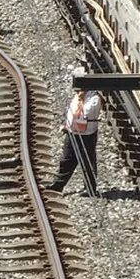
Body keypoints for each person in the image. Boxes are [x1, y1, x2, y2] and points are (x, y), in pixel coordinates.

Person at [48, 67, 102, 196]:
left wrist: (82, 100)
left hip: (87, 135)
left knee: (87, 162)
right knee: (66, 160)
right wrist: (66, 125)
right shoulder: (78, 96)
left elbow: (87, 113)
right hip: (72, 133)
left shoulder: (94, 98)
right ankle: (58, 184)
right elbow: (72, 113)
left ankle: (90, 188)